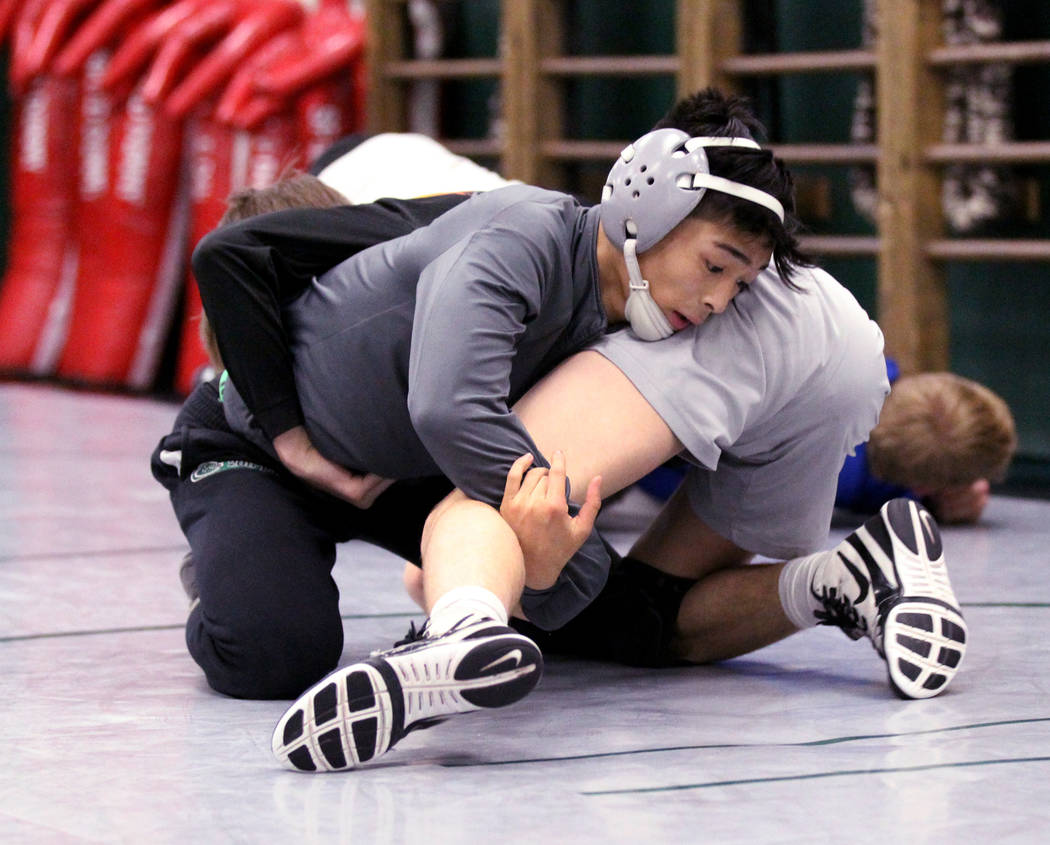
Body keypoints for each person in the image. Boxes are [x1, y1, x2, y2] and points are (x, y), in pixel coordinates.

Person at [153, 88, 806, 710]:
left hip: (394, 465)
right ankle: (224, 574)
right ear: (648, 209)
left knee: (603, 619)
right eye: (716, 268)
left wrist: (565, 580)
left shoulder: (616, 302)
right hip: (259, 448)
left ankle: (829, 585)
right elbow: (450, 409)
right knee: (276, 653)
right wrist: (292, 438)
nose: (720, 301)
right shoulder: (522, 235)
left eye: (742, 286)